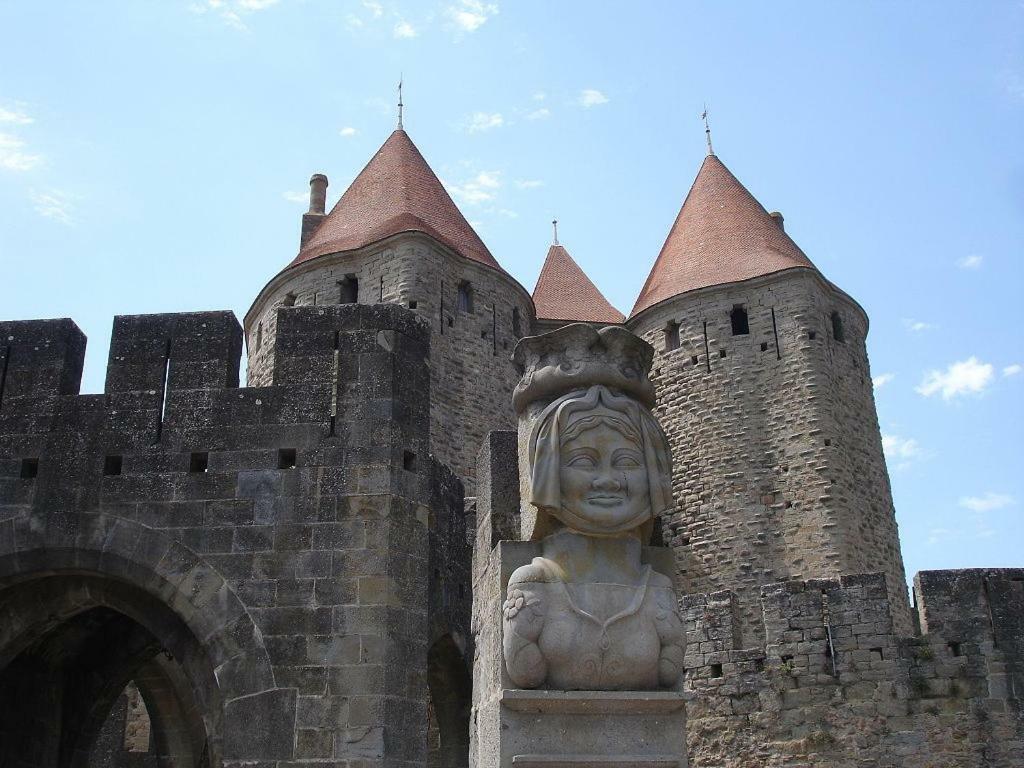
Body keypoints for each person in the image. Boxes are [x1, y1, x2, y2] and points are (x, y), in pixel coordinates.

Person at [502, 384, 685, 690]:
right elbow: (524, 673)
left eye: (626, 462)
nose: (608, 481)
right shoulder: (533, 583)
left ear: (655, 473)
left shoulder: (657, 589)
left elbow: (670, 673)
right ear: (547, 472)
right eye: (584, 462)